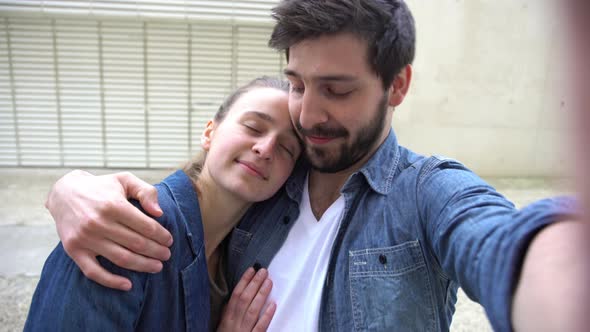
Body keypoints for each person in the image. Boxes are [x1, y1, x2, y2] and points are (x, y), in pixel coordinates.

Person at [43, 1, 590, 331]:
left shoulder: (427, 193)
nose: (307, 113)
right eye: (298, 84)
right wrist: (69, 187)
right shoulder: (268, 191)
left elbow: (497, 239)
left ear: (397, 85)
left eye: (337, 89)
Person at [24, 77, 303, 331]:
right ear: (209, 133)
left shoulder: (241, 256)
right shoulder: (129, 227)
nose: (265, 149)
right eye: (254, 127)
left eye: (286, 148)